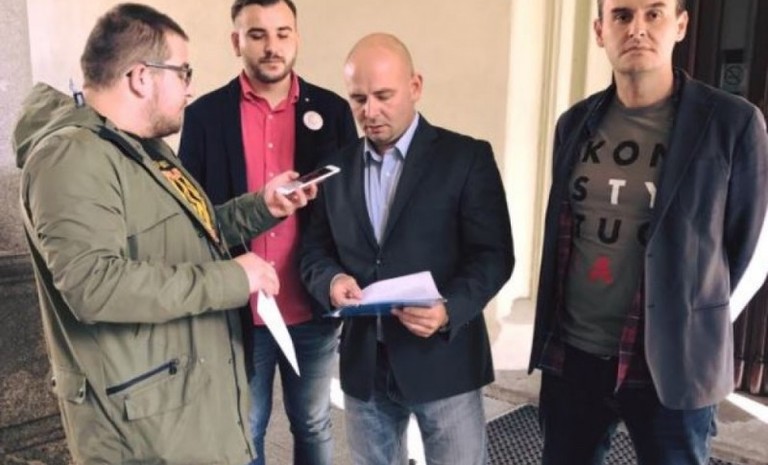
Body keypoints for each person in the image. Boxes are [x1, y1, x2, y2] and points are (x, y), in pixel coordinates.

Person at [12, 3, 316, 464]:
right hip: (143, 430)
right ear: (141, 76)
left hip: (181, 407)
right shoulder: (71, 157)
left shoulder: (141, 147)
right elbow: (94, 286)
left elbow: (189, 233)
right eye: (183, 72)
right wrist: (233, 278)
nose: (189, 88)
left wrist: (262, 207)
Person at [529, 0, 768, 464]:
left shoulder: (732, 123)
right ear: (600, 31)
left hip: (675, 359)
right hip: (575, 354)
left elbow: (745, 244)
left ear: (680, 25)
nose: (637, 28)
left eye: (654, 13)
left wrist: (699, 318)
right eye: (622, 15)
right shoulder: (574, 123)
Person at [300, 33, 514, 465]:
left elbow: (494, 255)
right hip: (364, 365)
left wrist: (449, 308)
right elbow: (313, 251)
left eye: (383, 96)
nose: (369, 112)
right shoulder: (334, 169)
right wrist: (331, 280)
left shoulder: (465, 158)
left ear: (415, 86)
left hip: (445, 360)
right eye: (358, 98)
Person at [178, 1, 357, 463]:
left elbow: (351, 209)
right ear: (236, 41)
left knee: (313, 422)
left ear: (297, 37)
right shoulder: (204, 117)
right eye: (257, 35)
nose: (272, 46)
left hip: (311, 304)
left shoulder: (333, 111)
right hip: (240, 310)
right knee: (247, 427)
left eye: (282, 33)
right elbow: (190, 214)